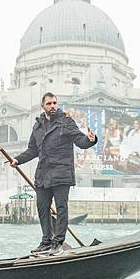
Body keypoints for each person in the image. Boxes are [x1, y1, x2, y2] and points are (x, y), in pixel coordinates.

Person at [8, 92, 97, 255]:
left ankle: (58, 243)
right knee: (42, 207)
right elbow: (33, 150)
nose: (53, 106)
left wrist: (90, 140)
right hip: (43, 173)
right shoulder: (38, 126)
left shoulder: (66, 122)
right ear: (43, 106)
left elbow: (80, 141)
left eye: (55, 103)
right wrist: (17, 160)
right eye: (49, 103)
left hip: (62, 172)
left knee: (61, 208)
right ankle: (46, 241)